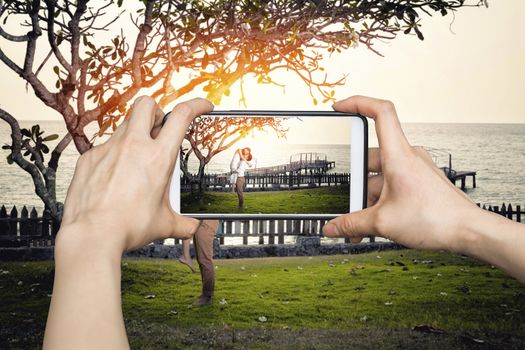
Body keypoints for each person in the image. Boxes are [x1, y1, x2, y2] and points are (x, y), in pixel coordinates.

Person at [43, 95, 525, 349]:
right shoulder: (238, 163)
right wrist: (469, 225)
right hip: (226, 194)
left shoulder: (241, 164)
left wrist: (90, 241)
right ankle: (212, 270)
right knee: (228, 204)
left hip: (208, 203)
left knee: (228, 205)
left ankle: (210, 283)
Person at [178, 220, 219, 306]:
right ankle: (206, 295)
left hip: (206, 222)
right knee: (201, 259)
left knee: (205, 260)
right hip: (202, 221)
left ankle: (207, 296)